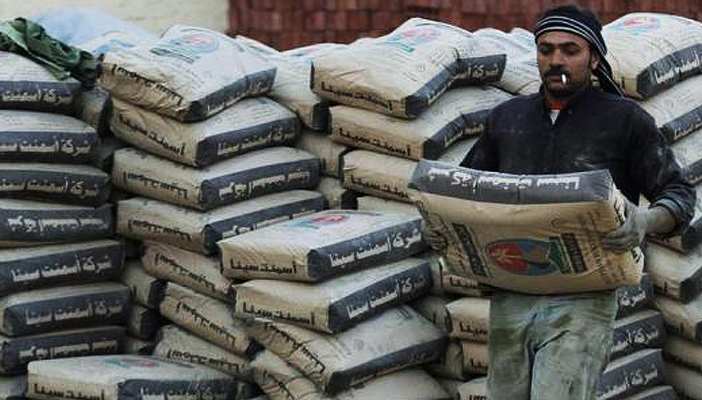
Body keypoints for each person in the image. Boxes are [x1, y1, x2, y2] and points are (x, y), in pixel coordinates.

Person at [459, 4, 696, 399]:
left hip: (584, 298)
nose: (556, 60)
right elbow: (467, 190)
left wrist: (644, 221)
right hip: (513, 293)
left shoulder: (624, 120)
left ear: (594, 58)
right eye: (546, 50)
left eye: (570, 50)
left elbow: (679, 194)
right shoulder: (507, 119)